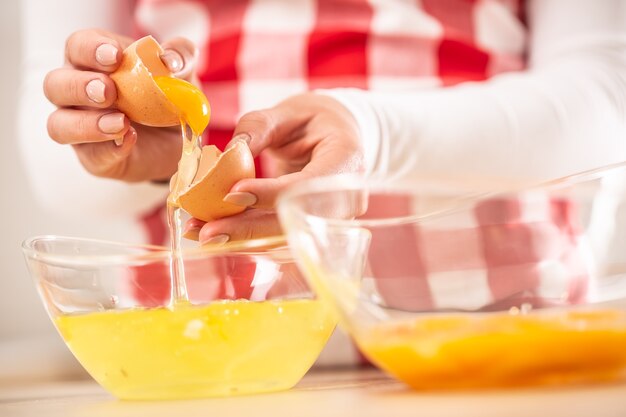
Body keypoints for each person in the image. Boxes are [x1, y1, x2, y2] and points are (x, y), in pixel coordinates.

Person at [25, 0, 626, 362]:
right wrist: (132, 147)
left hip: (499, 329)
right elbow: (56, 166)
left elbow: (608, 98)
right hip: (206, 350)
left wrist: (373, 132)